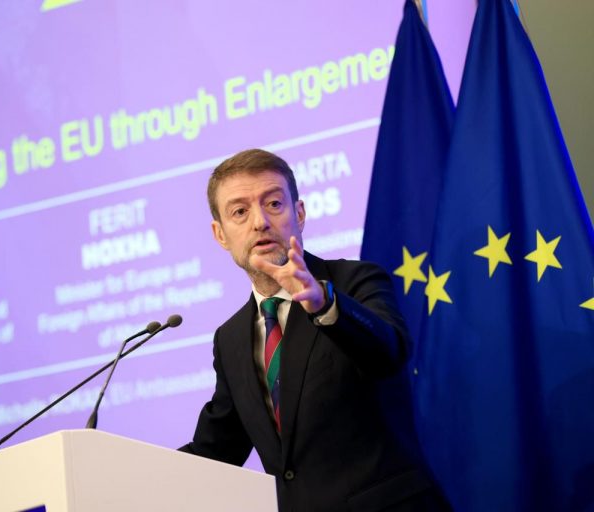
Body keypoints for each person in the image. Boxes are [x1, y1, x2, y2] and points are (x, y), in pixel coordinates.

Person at [179, 149, 448, 511]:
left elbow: (389, 353)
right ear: (220, 234)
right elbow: (216, 449)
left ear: (300, 214)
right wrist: (123, 473)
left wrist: (324, 304)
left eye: (274, 203)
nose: (260, 222)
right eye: (239, 212)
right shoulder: (230, 339)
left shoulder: (353, 282)